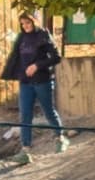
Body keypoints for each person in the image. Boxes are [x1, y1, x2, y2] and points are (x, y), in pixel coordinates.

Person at [4, 12, 64, 158]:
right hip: (25, 82)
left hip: (42, 81)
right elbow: (15, 57)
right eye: (23, 24)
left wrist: (37, 65)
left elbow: (56, 57)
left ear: (34, 22)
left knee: (48, 112)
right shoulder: (21, 37)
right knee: (25, 115)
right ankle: (26, 150)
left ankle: (60, 138)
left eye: (28, 23)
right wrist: (12, 73)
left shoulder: (43, 35)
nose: (26, 26)